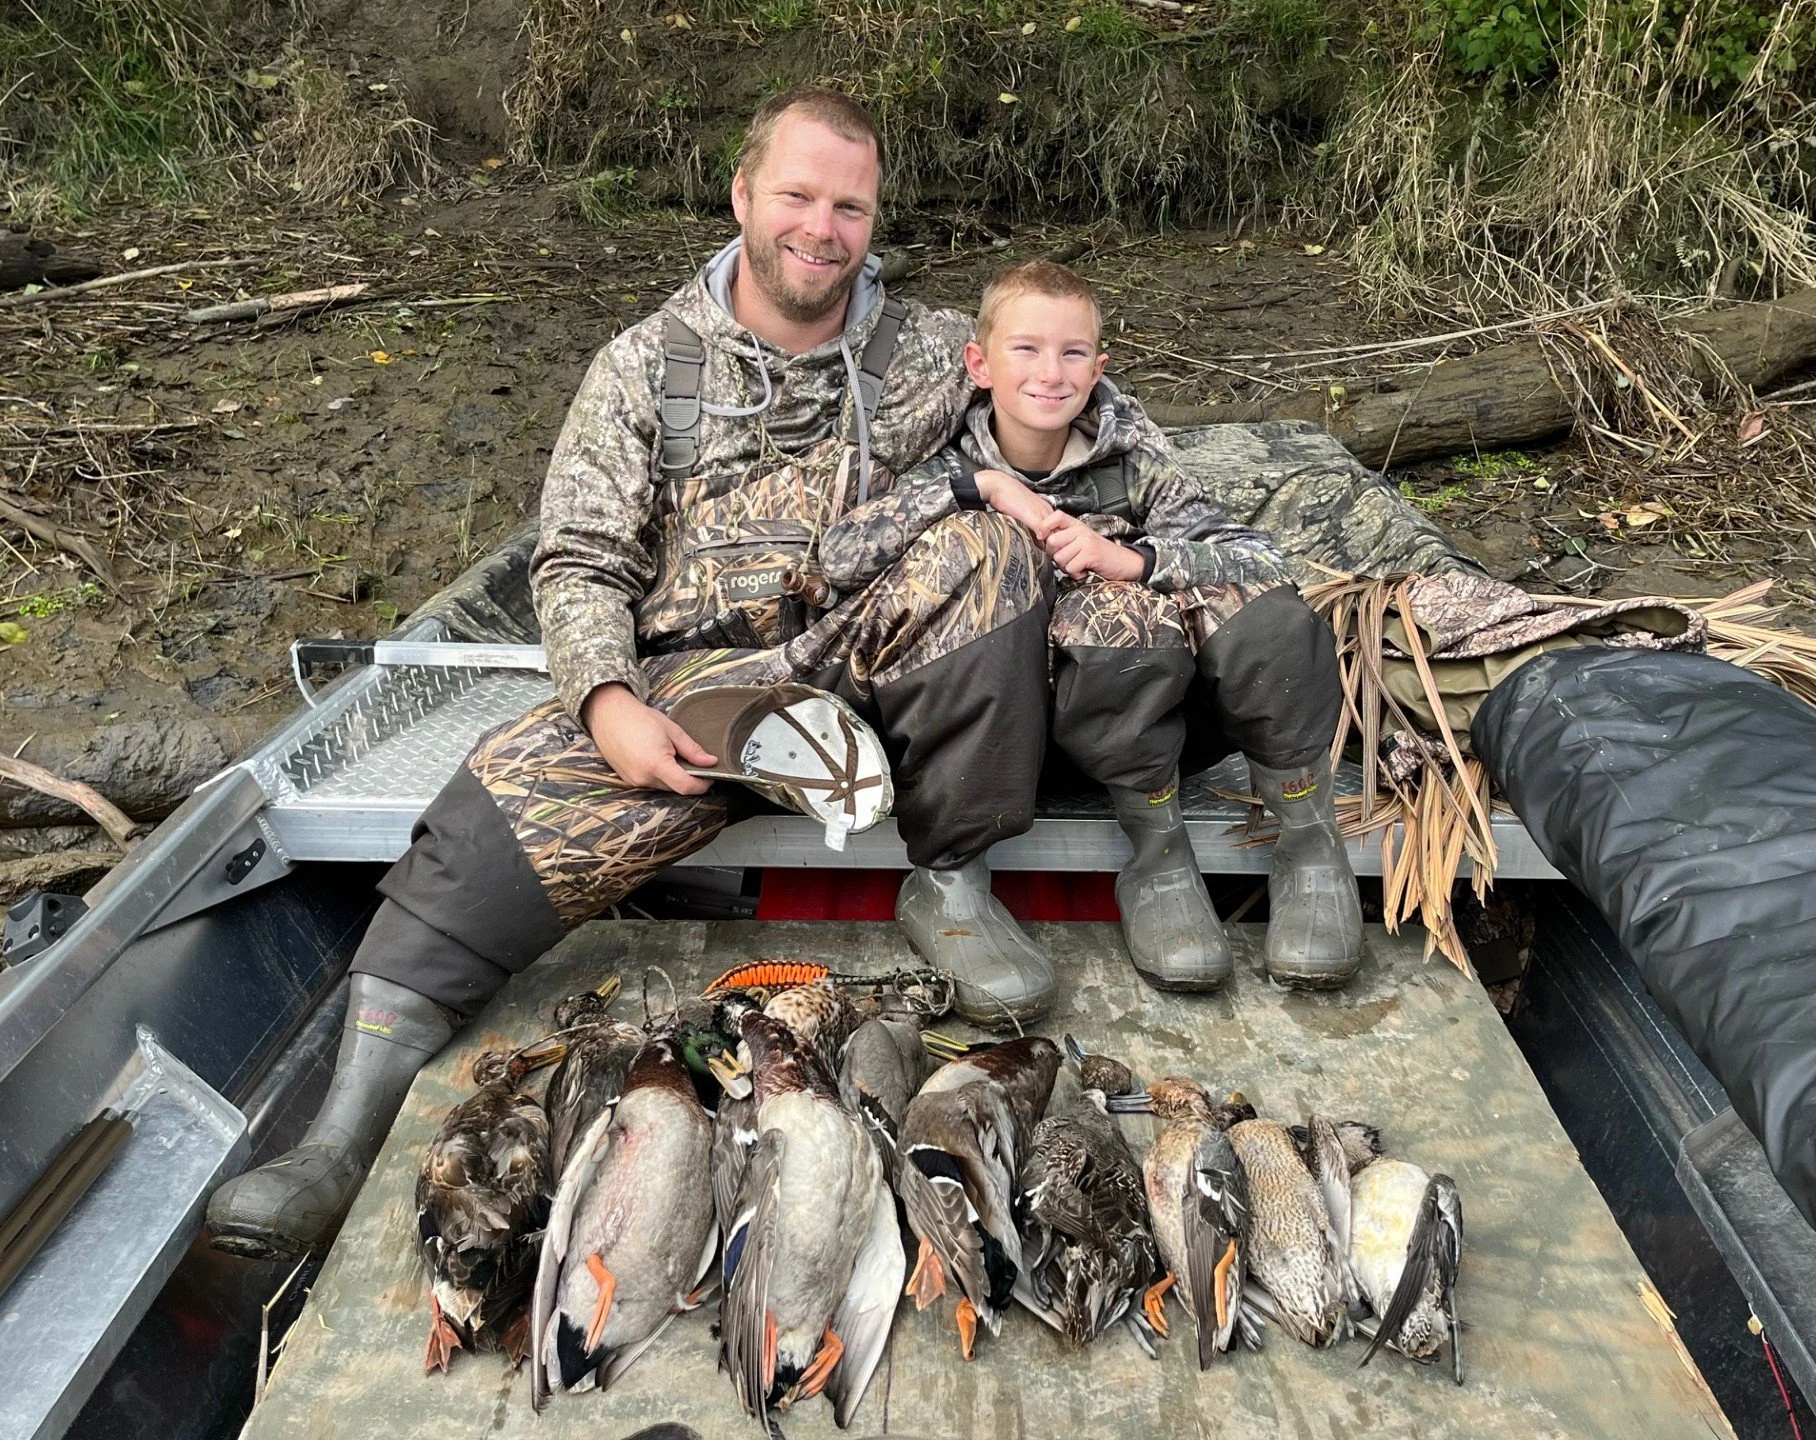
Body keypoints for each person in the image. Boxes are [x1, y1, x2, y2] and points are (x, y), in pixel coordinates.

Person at [205, 88, 1057, 1261]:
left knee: (993, 549)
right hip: (697, 696)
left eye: (850, 207)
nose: (822, 229)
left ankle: (952, 880)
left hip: (873, 674)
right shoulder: (643, 365)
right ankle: (339, 1137)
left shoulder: (933, 351)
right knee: (481, 827)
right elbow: (578, 561)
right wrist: (607, 704)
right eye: (798, 196)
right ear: (742, 196)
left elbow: (1075, 413)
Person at [821, 260, 1360, 992]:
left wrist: (1135, 560)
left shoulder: (1127, 461)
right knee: (1078, 602)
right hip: (990, 744)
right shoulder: (941, 460)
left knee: (1262, 613)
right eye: (1026, 349)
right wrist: (981, 490)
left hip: (1140, 736)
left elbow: (1257, 557)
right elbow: (840, 556)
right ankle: (1093, 868)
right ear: (978, 365)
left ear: (1098, 368)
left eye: (1072, 353)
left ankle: (1292, 846)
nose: (1051, 373)